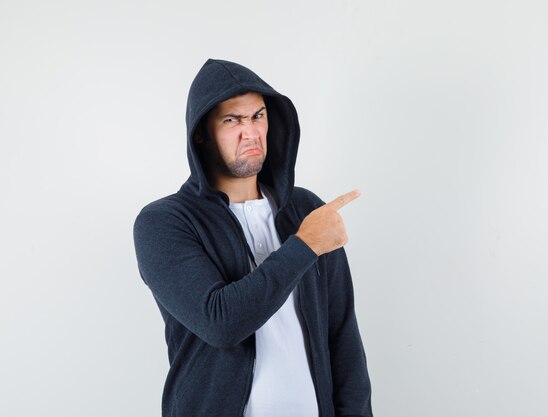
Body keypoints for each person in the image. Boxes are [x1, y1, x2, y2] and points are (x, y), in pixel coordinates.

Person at [133, 58, 373, 417]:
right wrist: (304, 245)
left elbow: (342, 337)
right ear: (202, 131)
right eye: (232, 120)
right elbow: (221, 323)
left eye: (258, 116)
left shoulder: (307, 209)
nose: (251, 132)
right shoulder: (165, 222)